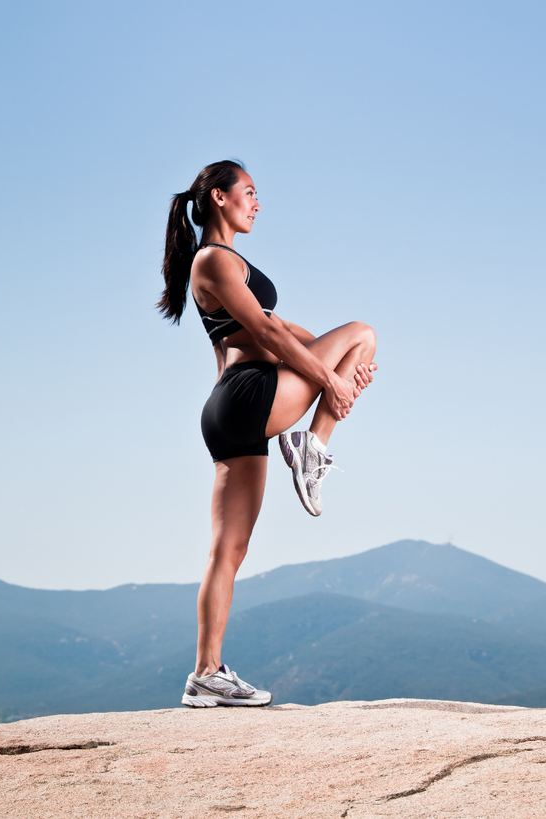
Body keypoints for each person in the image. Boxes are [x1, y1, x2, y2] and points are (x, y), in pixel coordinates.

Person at [157, 160, 377, 707]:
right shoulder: (212, 259)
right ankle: (313, 446)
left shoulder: (227, 263)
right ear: (217, 198)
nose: (257, 204)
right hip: (249, 391)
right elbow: (266, 330)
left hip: (234, 408)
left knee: (228, 549)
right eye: (249, 193)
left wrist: (342, 374)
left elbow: (289, 329)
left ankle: (206, 672)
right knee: (365, 333)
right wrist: (332, 375)